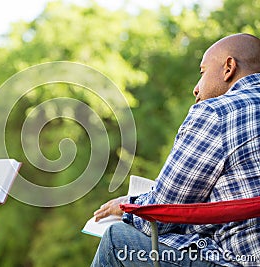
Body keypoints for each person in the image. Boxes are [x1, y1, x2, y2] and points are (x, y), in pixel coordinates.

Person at [91, 33, 260, 267]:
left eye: (202, 73)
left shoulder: (217, 113)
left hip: (239, 260)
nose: (196, 88)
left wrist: (127, 207)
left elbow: (163, 212)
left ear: (228, 67)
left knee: (116, 240)